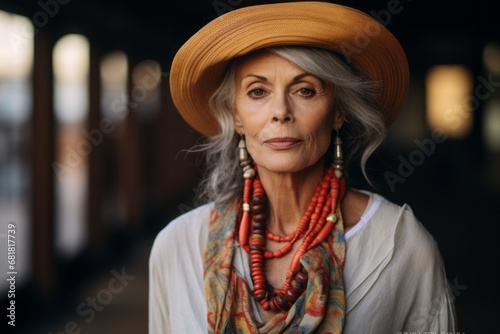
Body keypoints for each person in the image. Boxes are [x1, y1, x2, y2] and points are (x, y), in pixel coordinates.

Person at [149, 1, 457, 333]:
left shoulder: (402, 247)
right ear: (236, 116)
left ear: (338, 112)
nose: (280, 111)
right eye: (257, 91)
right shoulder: (177, 246)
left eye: (305, 90)